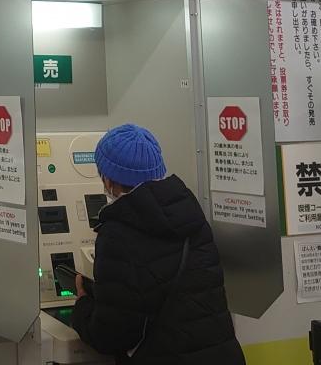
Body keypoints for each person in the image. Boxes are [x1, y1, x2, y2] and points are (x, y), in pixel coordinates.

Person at [72, 123, 244, 365]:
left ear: (108, 180)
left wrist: (82, 306)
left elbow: (112, 334)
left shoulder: (117, 234)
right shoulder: (191, 215)